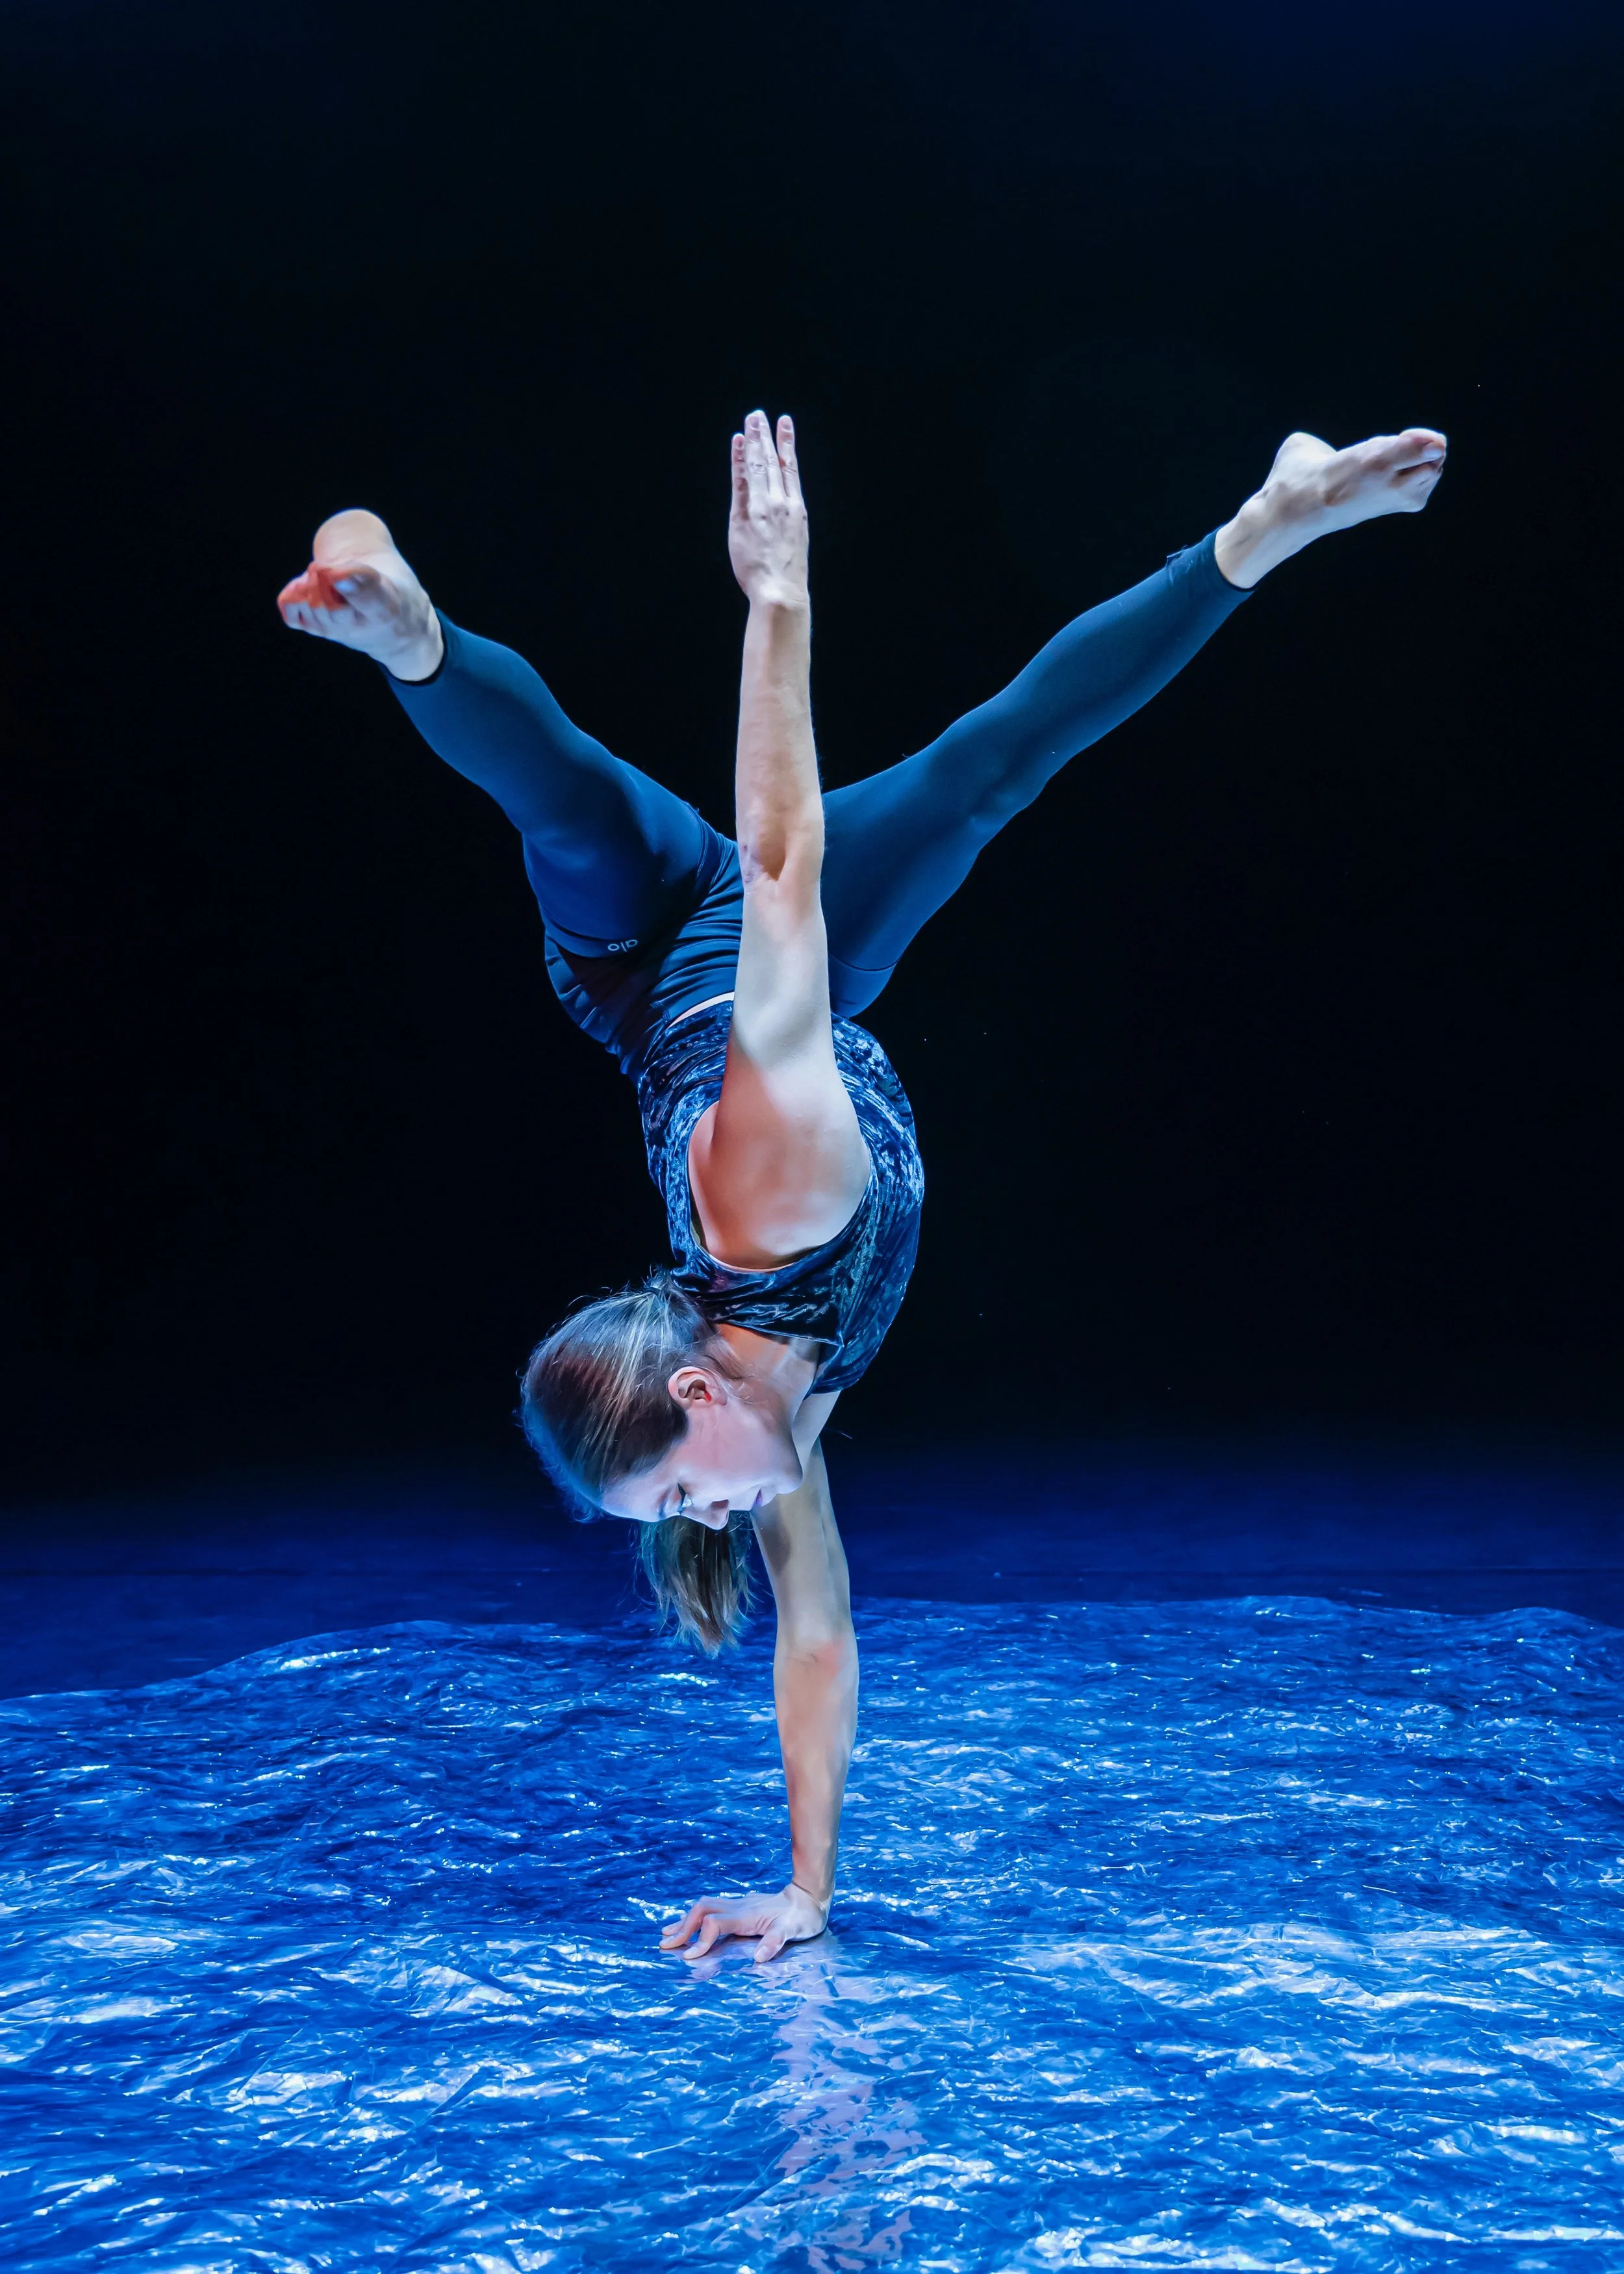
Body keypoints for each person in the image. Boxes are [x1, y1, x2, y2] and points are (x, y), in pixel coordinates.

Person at [278, 409, 1447, 1961]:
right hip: (802, 995)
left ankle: (400, 627)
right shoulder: (782, 1416)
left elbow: (776, 872)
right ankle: (1268, 520)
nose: (711, 1519)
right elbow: (816, 1634)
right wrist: (806, 1895)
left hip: (653, 960)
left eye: (682, 1493)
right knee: (988, 772)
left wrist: (776, 596)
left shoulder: (768, 1204)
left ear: (695, 1394)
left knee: (564, 804)